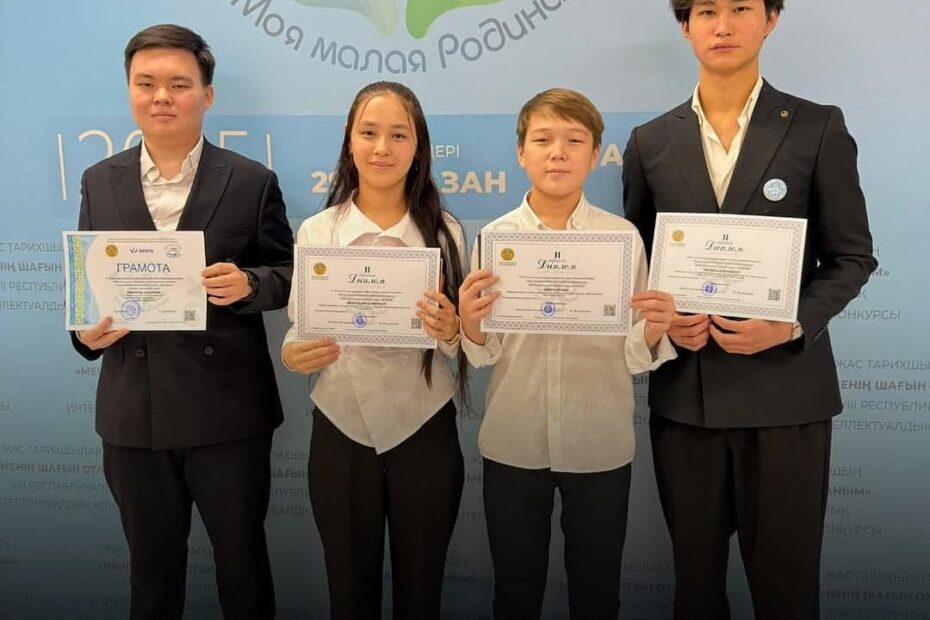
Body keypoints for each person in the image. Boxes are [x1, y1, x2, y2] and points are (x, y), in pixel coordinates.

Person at [622, 2, 878, 619]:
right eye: (707, 11)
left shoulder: (817, 127)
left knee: (788, 593)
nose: (724, 25)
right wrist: (664, 325)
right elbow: (638, 267)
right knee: (695, 593)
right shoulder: (650, 141)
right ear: (685, 26)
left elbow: (852, 257)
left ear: (771, 19)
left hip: (787, 400)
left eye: (741, 8)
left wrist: (790, 323)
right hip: (687, 400)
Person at [70, 24, 293, 620]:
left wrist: (250, 284)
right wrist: (84, 335)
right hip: (133, 412)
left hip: (228, 413)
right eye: (146, 83)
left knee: (243, 570)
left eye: (178, 83)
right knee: (151, 576)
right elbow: (89, 282)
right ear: (129, 91)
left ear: (207, 94)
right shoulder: (99, 180)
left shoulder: (251, 180)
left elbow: (288, 272)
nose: (161, 97)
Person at [458, 88, 678, 620]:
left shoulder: (622, 239)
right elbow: (485, 355)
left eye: (574, 140)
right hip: (514, 440)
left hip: (598, 442)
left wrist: (654, 330)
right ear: (520, 152)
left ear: (596, 153)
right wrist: (470, 324)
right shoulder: (495, 239)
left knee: (597, 592)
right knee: (514, 589)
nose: (558, 152)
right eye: (543, 139)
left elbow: (635, 353)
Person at [281, 81, 467, 620]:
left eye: (398, 135)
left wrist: (451, 329)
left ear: (418, 146)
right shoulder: (319, 230)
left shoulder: (446, 232)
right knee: (348, 591)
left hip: (425, 424)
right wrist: (294, 355)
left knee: (422, 591)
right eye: (369, 133)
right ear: (349, 140)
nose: (382, 148)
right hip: (340, 423)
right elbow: (299, 328)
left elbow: (459, 341)